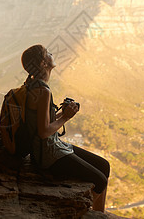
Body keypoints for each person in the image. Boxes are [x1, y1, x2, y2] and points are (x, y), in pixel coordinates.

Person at [21, 44, 110, 212]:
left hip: (49, 147)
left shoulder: (32, 85)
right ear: (43, 63)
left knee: (104, 165)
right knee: (101, 180)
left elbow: (41, 122)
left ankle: (99, 214)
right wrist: (66, 117)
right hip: (48, 154)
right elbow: (43, 131)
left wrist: (63, 113)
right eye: (47, 53)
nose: (52, 53)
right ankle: (90, 213)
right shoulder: (43, 91)